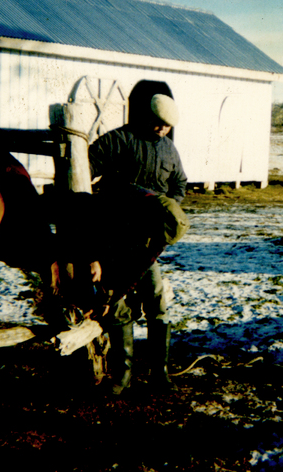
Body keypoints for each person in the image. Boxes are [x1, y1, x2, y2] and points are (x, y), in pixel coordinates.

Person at [87, 93, 188, 394]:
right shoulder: (117, 140)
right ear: (146, 117)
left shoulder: (169, 151)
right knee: (118, 305)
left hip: (148, 245)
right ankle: (122, 377)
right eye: (158, 124)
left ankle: (160, 373)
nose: (161, 130)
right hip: (114, 239)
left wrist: (167, 207)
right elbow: (84, 171)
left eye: (167, 127)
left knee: (157, 302)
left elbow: (180, 183)